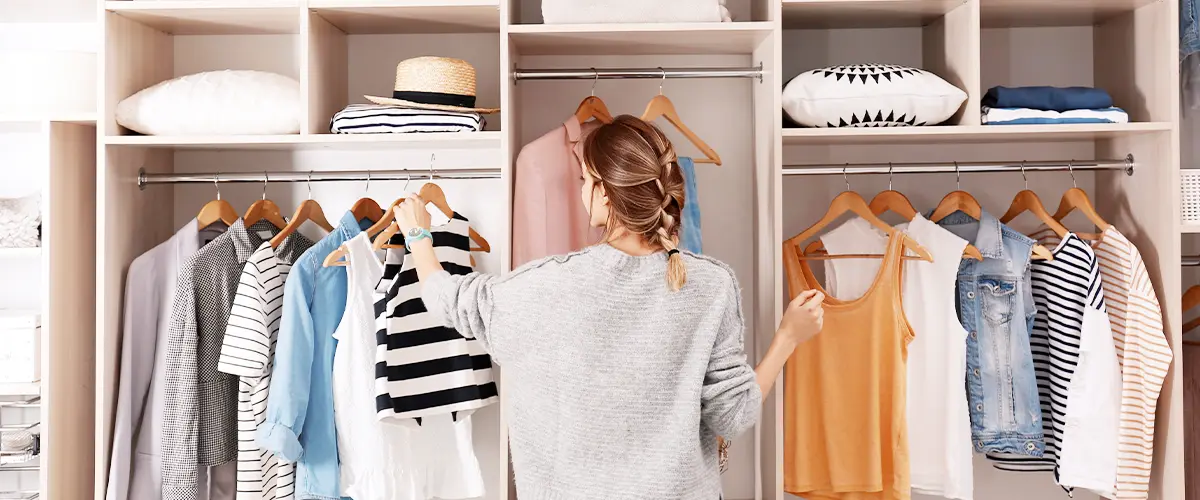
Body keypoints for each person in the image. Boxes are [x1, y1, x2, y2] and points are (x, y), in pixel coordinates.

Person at [393, 115, 824, 499]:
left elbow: (446, 299)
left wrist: (418, 237)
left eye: (584, 180)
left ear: (602, 190)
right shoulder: (712, 285)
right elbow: (733, 414)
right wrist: (787, 337)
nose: (582, 190)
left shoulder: (547, 283)